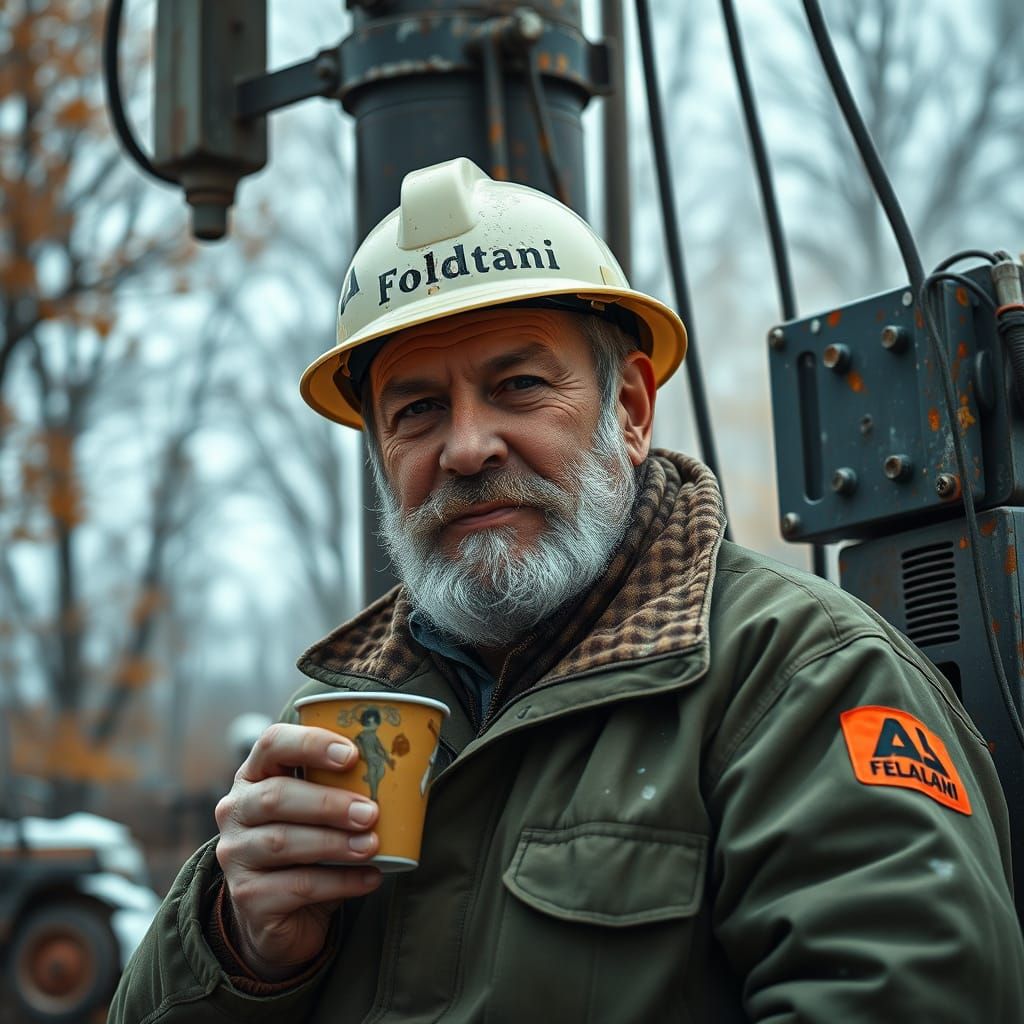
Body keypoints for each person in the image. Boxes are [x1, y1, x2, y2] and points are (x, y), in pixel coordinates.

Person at [109, 158, 1024, 1022]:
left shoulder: (800, 680)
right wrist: (242, 947)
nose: (466, 448)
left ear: (629, 410)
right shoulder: (336, 725)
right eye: (417, 410)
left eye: (518, 385)